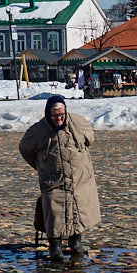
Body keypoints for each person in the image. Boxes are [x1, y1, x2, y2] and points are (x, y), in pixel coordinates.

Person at [18, 95, 101, 262]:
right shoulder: (38, 130)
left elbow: (90, 138)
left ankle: (75, 241)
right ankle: (55, 246)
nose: (59, 118)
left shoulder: (78, 123)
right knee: (55, 212)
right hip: (53, 180)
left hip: (79, 179)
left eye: (61, 114)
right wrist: (40, 165)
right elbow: (24, 148)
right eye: (55, 115)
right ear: (49, 114)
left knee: (77, 209)